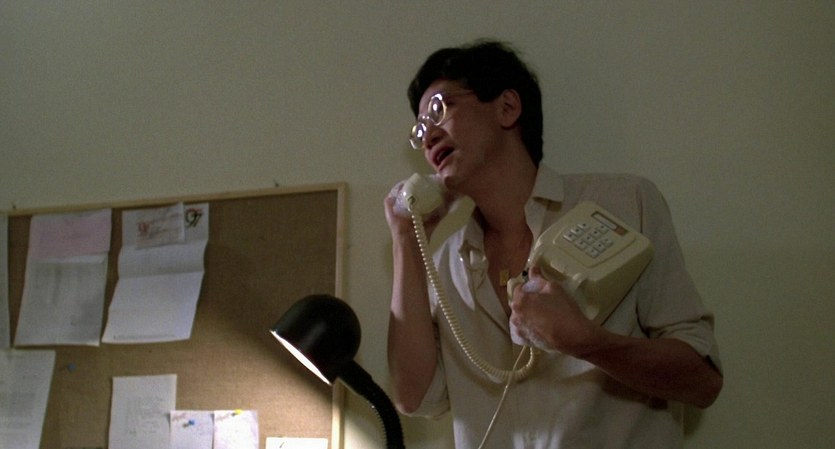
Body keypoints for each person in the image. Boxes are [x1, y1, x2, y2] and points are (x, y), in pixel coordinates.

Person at [384, 39, 723, 449]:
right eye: (420, 130)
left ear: (507, 107)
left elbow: (702, 380)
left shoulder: (626, 204)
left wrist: (589, 344)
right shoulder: (444, 264)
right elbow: (414, 397)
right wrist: (406, 238)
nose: (428, 137)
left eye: (440, 109)